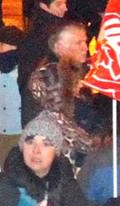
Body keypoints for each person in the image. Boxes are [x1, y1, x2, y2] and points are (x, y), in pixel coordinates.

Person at [26, 20, 98, 160]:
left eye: (85, 41)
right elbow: (64, 123)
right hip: (62, 155)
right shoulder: (48, 77)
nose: (85, 47)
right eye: (78, 43)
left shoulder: (79, 71)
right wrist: (97, 146)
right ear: (59, 47)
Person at [0, 25, 28, 164]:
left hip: (21, 131)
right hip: (2, 131)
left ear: (15, 47)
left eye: (2, 44)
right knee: (3, 166)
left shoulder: (24, 72)